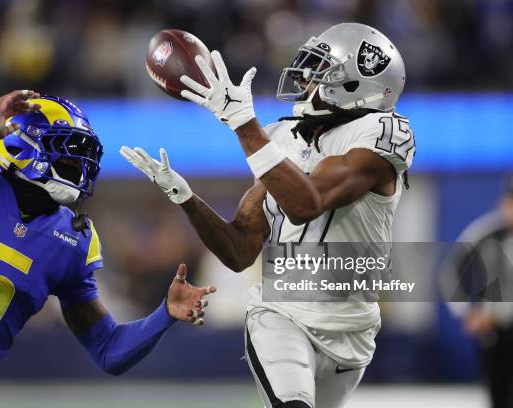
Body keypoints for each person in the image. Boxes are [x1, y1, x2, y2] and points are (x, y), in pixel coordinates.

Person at [122, 23, 415, 408]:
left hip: (353, 329)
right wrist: (185, 197)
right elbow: (240, 250)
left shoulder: (383, 133)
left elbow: (306, 202)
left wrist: (244, 125)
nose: (306, 80)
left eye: (321, 72)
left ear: (354, 86)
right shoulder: (285, 137)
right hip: (280, 315)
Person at [0, 90, 216, 408]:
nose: (77, 165)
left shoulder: (72, 241)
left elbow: (108, 350)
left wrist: (165, 314)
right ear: (23, 145)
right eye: (65, 153)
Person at [447, 175, 513, 408]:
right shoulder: (485, 233)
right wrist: (467, 312)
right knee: (499, 393)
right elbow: (451, 272)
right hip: (495, 327)